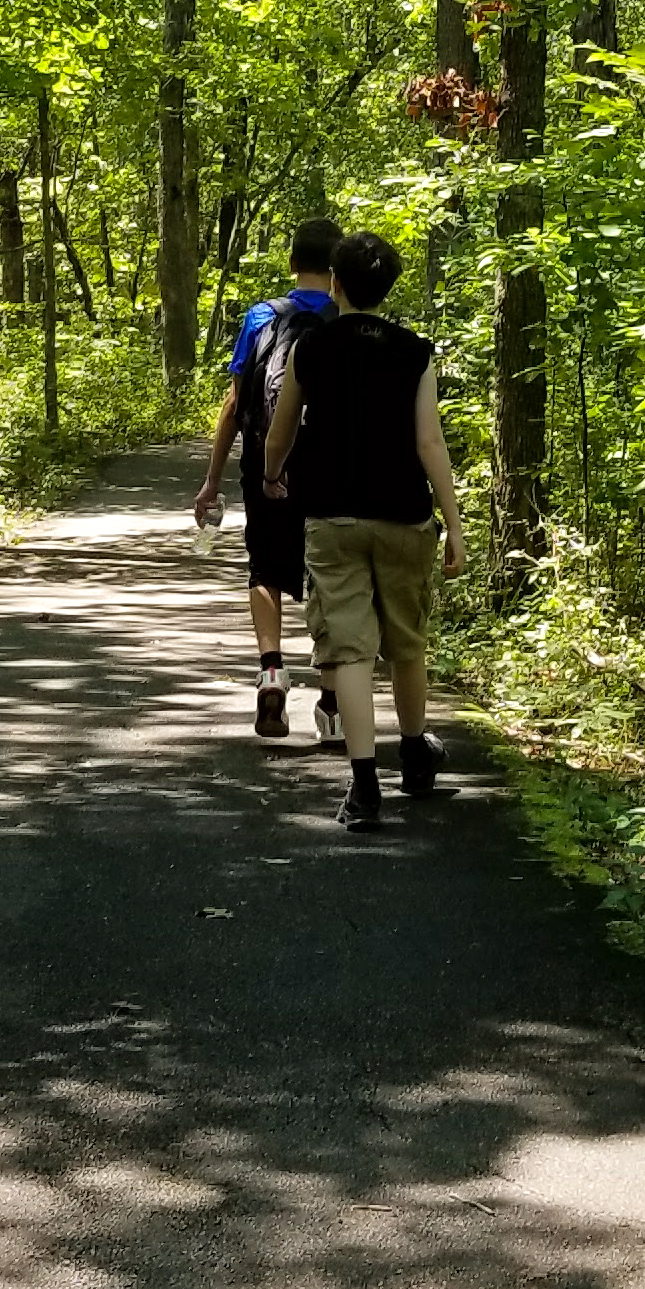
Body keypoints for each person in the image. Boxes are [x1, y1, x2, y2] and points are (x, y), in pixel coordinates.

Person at [263, 226, 467, 833]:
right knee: (406, 638)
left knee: (349, 648)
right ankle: (413, 752)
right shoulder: (414, 352)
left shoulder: (312, 347)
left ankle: (363, 785)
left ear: (336, 282)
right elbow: (429, 442)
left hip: (333, 516)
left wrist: (274, 477)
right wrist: (453, 523)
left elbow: (281, 430)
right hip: (405, 514)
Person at [191, 215, 343, 740]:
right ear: (337, 265)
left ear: (291, 262)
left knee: (265, 568)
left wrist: (212, 481)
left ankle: (272, 672)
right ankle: (332, 698)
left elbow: (236, 405)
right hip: (331, 467)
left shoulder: (261, 317)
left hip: (266, 464)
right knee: (330, 575)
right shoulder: (346, 318)